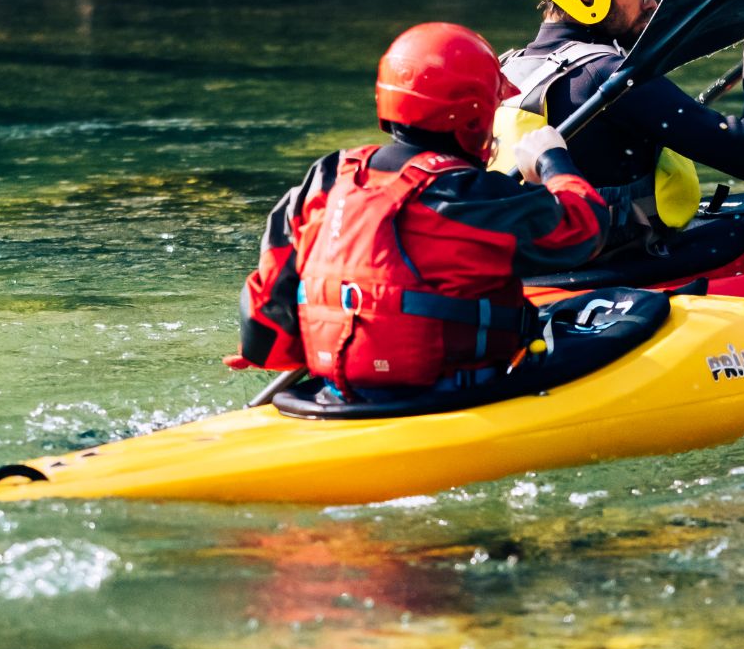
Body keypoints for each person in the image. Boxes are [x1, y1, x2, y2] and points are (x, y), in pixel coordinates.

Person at [230, 22, 608, 402]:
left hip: (335, 395)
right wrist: (552, 160)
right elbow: (586, 230)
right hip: (454, 396)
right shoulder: (469, 195)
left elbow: (263, 328)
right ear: (474, 118)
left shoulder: (326, 177)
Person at [491, 0, 744, 250]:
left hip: (535, 269)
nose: (654, 4)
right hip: (617, 270)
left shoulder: (504, 70)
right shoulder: (608, 75)